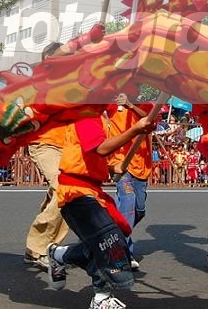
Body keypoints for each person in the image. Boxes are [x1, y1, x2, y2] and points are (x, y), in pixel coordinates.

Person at [46, 108, 155, 309]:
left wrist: (113, 168)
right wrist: (135, 129)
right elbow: (100, 149)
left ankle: (59, 255)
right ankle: (101, 298)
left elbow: (90, 158)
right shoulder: (86, 115)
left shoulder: (100, 118)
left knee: (114, 238)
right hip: (76, 191)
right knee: (108, 241)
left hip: (92, 190)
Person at [23, 42, 72, 270]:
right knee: (63, 188)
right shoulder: (38, 81)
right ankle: (38, 248)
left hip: (69, 145)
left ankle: (44, 245)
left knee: (67, 192)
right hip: (45, 143)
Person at [107, 93, 152, 270]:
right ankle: (123, 253)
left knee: (139, 211)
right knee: (128, 202)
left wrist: (130, 105)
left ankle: (110, 233)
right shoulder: (112, 104)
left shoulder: (146, 105)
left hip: (141, 166)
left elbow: (150, 121)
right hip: (121, 162)